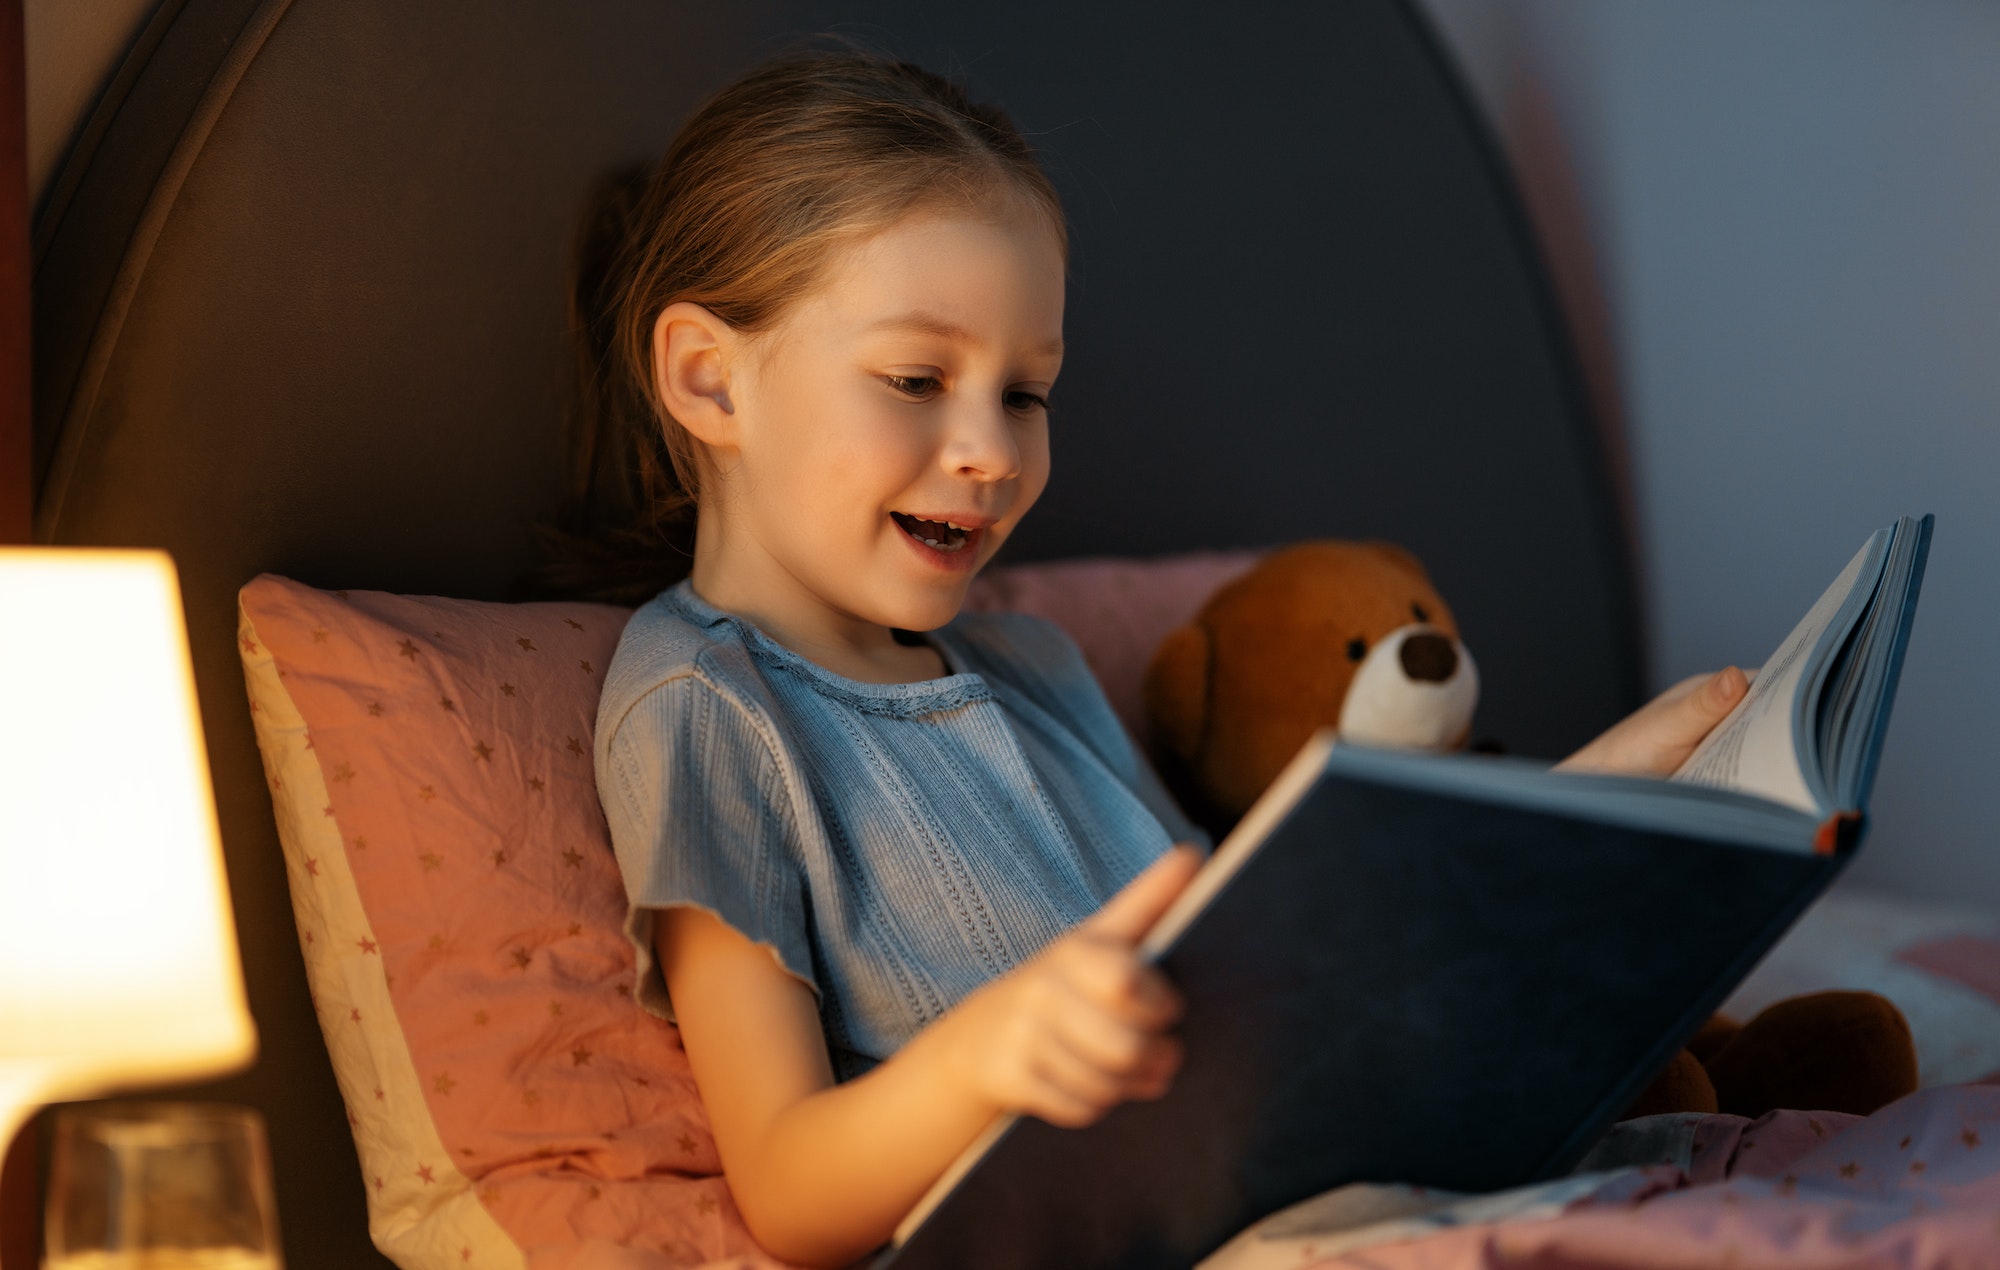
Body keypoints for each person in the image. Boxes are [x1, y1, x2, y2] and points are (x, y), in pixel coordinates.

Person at [562, 48, 1748, 1268]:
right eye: (918, 378)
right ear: (710, 381)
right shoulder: (703, 703)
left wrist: (1578, 814)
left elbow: (1266, 963)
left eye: (1026, 394)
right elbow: (792, 1191)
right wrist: (989, 1053)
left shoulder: (1034, 666)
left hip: (1279, 1174)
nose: (990, 451)